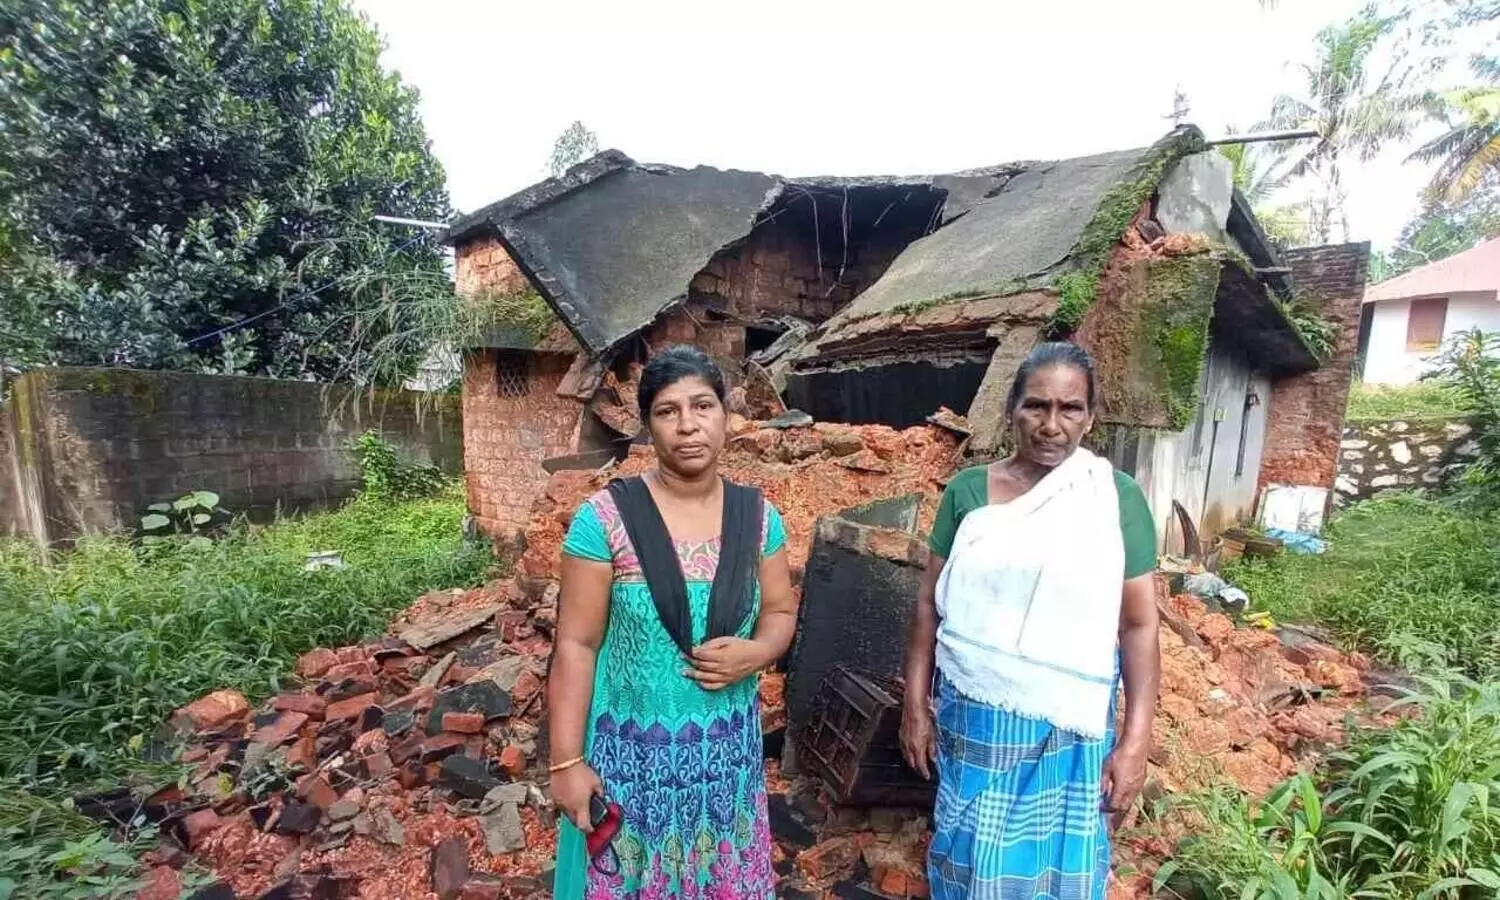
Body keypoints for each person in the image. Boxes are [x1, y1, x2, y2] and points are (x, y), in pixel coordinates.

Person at [899, 341, 1160, 900]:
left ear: (1090, 417)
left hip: (1070, 735)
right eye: (1036, 406)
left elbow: (1138, 626)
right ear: (1011, 409)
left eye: (1070, 409)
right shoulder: (970, 492)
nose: (1051, 424)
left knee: (1057, 874)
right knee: (968, 863)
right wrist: (914, 708)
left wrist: (1135, 742)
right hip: (974, 724)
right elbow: (928, 603)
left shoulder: (1114, 499)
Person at [548, 345, 798, 900]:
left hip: (725, 770)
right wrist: (566, 762)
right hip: (630, 767)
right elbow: (576, 645)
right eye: (667, 411)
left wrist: (758, 653)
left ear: (726, 416)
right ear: (648, 426)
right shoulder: (606, 520)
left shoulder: (759, 519)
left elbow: (781, 612)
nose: (688, 425)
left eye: (702, 406)